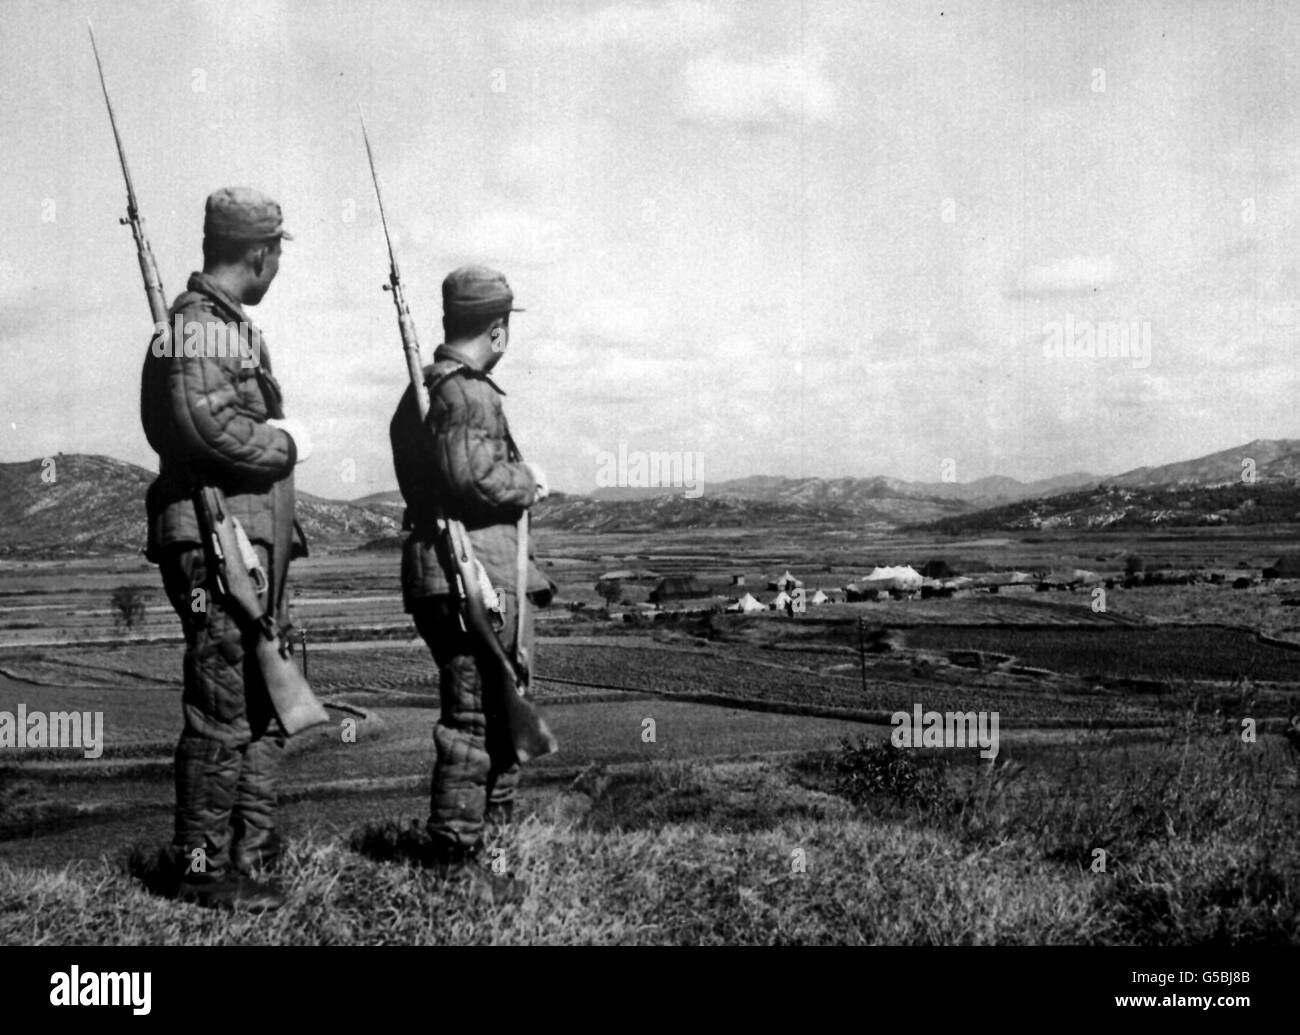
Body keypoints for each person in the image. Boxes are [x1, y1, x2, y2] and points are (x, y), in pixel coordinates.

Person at [140, 187, 310, 911]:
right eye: (277, 253)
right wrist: (287, 442)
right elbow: (202, 425)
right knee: (219, 710)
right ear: (261, 253)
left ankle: (246, 857)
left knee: (259, 705)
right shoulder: (199, 327)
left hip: (246, 545)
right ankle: (203, 869)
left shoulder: (222, 328)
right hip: (218, 548)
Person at [389, 265, 551, 896]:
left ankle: (489, 859)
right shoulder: (470, 393)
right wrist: (528, 480)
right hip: (474, 577)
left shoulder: (423, 391)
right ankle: (458, 863)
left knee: (488, 717)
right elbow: (471, 479)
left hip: (453, 575)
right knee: (477, 723)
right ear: (499, 330)